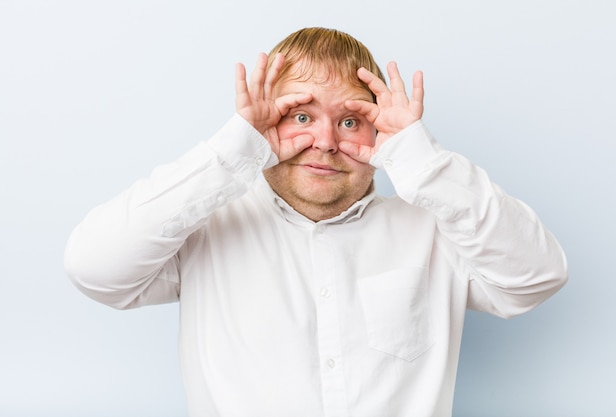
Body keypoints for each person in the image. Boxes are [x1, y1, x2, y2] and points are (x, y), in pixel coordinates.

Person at [64, 27, 568, 417]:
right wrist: (233, 151)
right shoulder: (205, 231)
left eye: (350, 121)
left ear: (379, 132)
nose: (326, 141)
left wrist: (423, 162)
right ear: (266, 122)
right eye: (301, 116)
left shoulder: (437, 232)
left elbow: (537, 277)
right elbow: (95, 269)